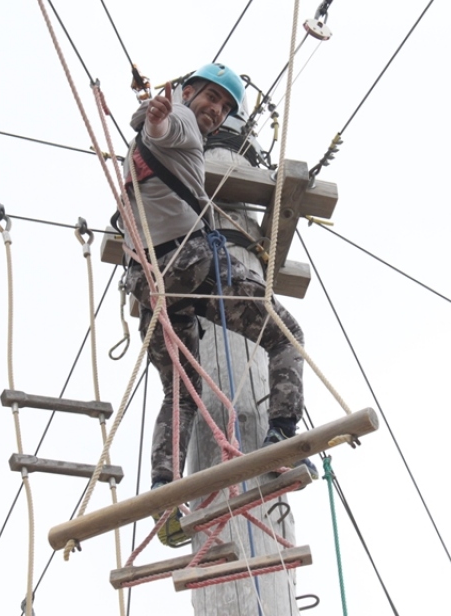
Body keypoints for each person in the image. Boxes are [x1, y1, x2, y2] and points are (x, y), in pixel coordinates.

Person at [118, 63, 307, 546]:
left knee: (180, 392)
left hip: (151, 283)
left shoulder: (144, 143)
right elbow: (166, 124)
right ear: (186, 91)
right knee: (285, 336)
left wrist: (154, 118)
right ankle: (282, 433)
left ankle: (164, 489)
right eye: (212, 100)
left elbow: (153, 126)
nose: (216, 112)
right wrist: (161, 116)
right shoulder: (178, 122)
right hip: (193, 265)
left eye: (224, 108)